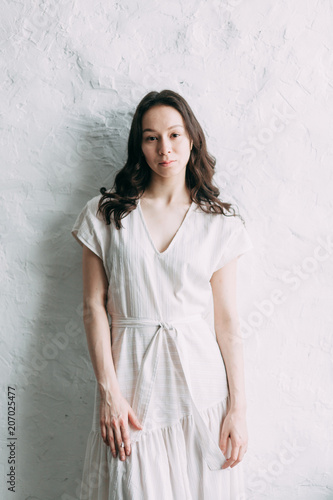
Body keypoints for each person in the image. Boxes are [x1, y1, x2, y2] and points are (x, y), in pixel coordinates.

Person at [71, 89, 254, 499]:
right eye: (151, 137)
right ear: (139, 145)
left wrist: (238, 410)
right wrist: (109, 395)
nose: (164, 148)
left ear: (192, 139)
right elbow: (92, 310)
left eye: (174, 134)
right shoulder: (106, 214)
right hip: (132, 391)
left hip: (203, 390)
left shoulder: (219, 222)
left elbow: (227, 323)